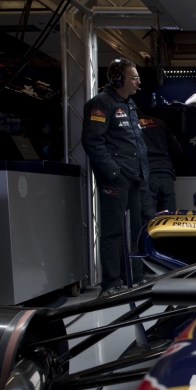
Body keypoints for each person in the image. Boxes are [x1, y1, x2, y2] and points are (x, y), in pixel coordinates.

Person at [82, 58, 149, 296]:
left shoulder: (129, 104)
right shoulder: (102, 102)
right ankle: (111, 283)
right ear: (118, 79)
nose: (138, 82)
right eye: (134, 78)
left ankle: (135, 277)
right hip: (116, 178)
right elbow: (92, 141)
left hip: (135, 176)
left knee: (136, 229)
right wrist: (113, 172)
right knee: (113, 231)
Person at [138, 113, 182, 223]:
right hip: (165, 173)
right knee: (170, 218)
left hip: (147, 175)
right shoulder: (160, 123)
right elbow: (177, 150)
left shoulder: (130, 125)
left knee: (149, 220)